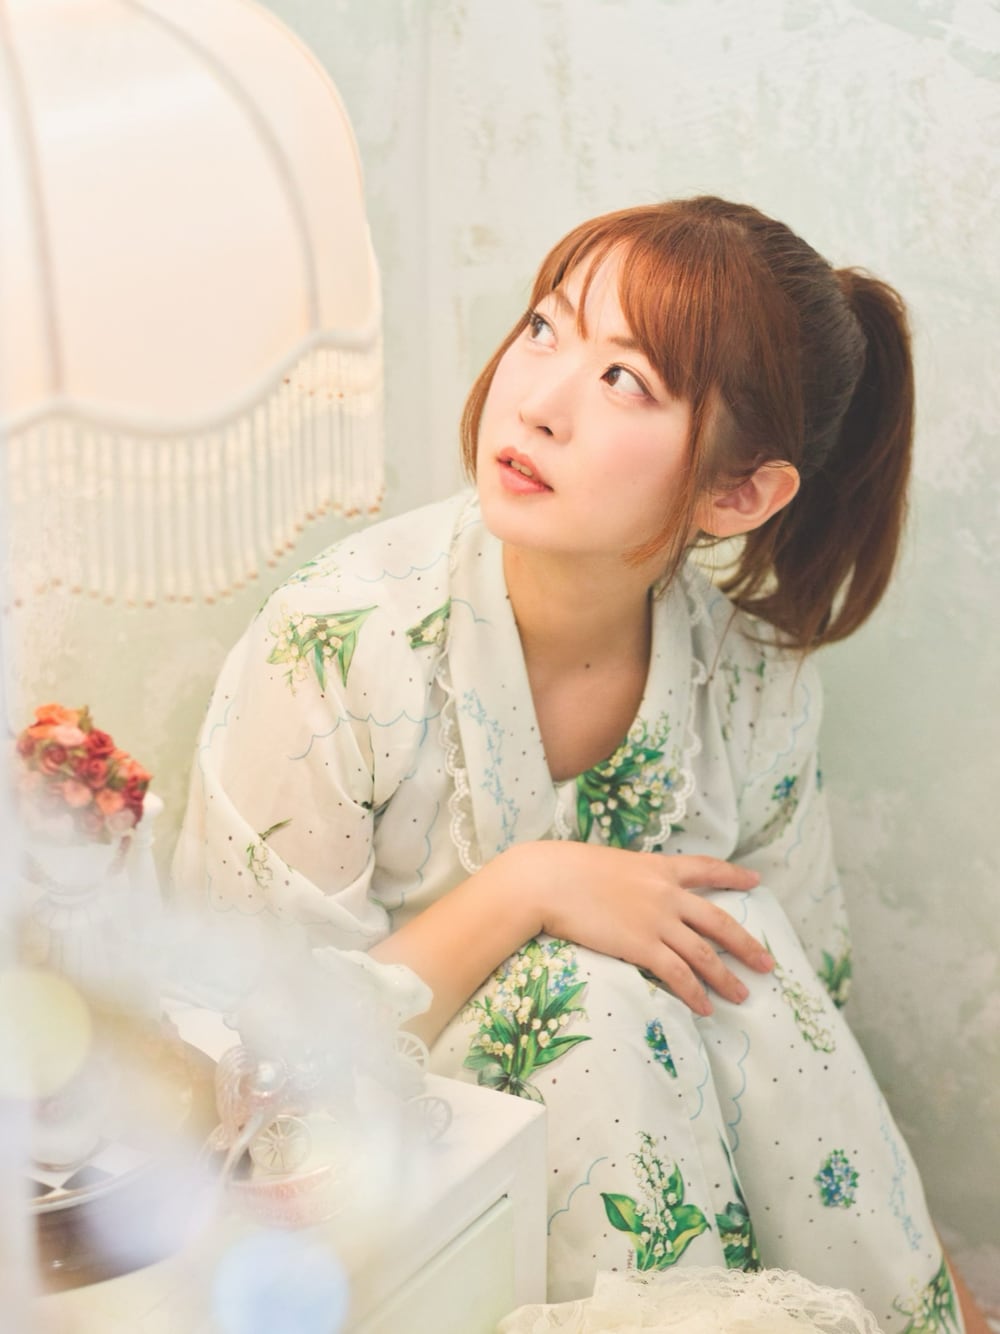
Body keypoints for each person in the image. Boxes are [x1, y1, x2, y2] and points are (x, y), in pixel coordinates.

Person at [174, 197, 989, 1331]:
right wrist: (533, 887)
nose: (538, 400)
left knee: (737, 947)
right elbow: (244, 1058)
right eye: (544, 328)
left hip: (689, 1166)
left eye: (624, 380)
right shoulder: (336, 645)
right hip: (395, 1192)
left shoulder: (751, 682)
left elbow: (801, 1039)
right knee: (587, 995)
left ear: (739, 494)